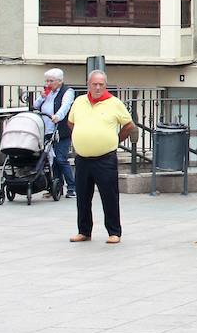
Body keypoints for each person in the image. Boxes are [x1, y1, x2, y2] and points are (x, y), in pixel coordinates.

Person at [67, 71, 134, 244]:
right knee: (82, 196)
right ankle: (84, 231)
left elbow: (129, 126)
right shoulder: (79, 101)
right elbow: (70, 122)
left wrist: (115, 139)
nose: (98, 87)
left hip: (105, 158)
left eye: (101, 84)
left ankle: (114, 232)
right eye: (94, 84)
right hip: (82, 158)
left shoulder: (114, 103)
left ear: (105, 85)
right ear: (88, 84)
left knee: (109, 196)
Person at [36, 68, 76, 199]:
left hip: (61, 131)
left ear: (60, 81)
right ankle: (56, 187)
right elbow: (35, 106)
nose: (48, 83)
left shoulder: (67, 91)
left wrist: (58, 116)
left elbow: (66, 106)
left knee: (60, 158)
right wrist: (41, 98)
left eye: (51, 81)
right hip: (47, 131)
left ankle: (72, 187)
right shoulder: (47, 92)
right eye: (46, 80)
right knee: (51, 161)